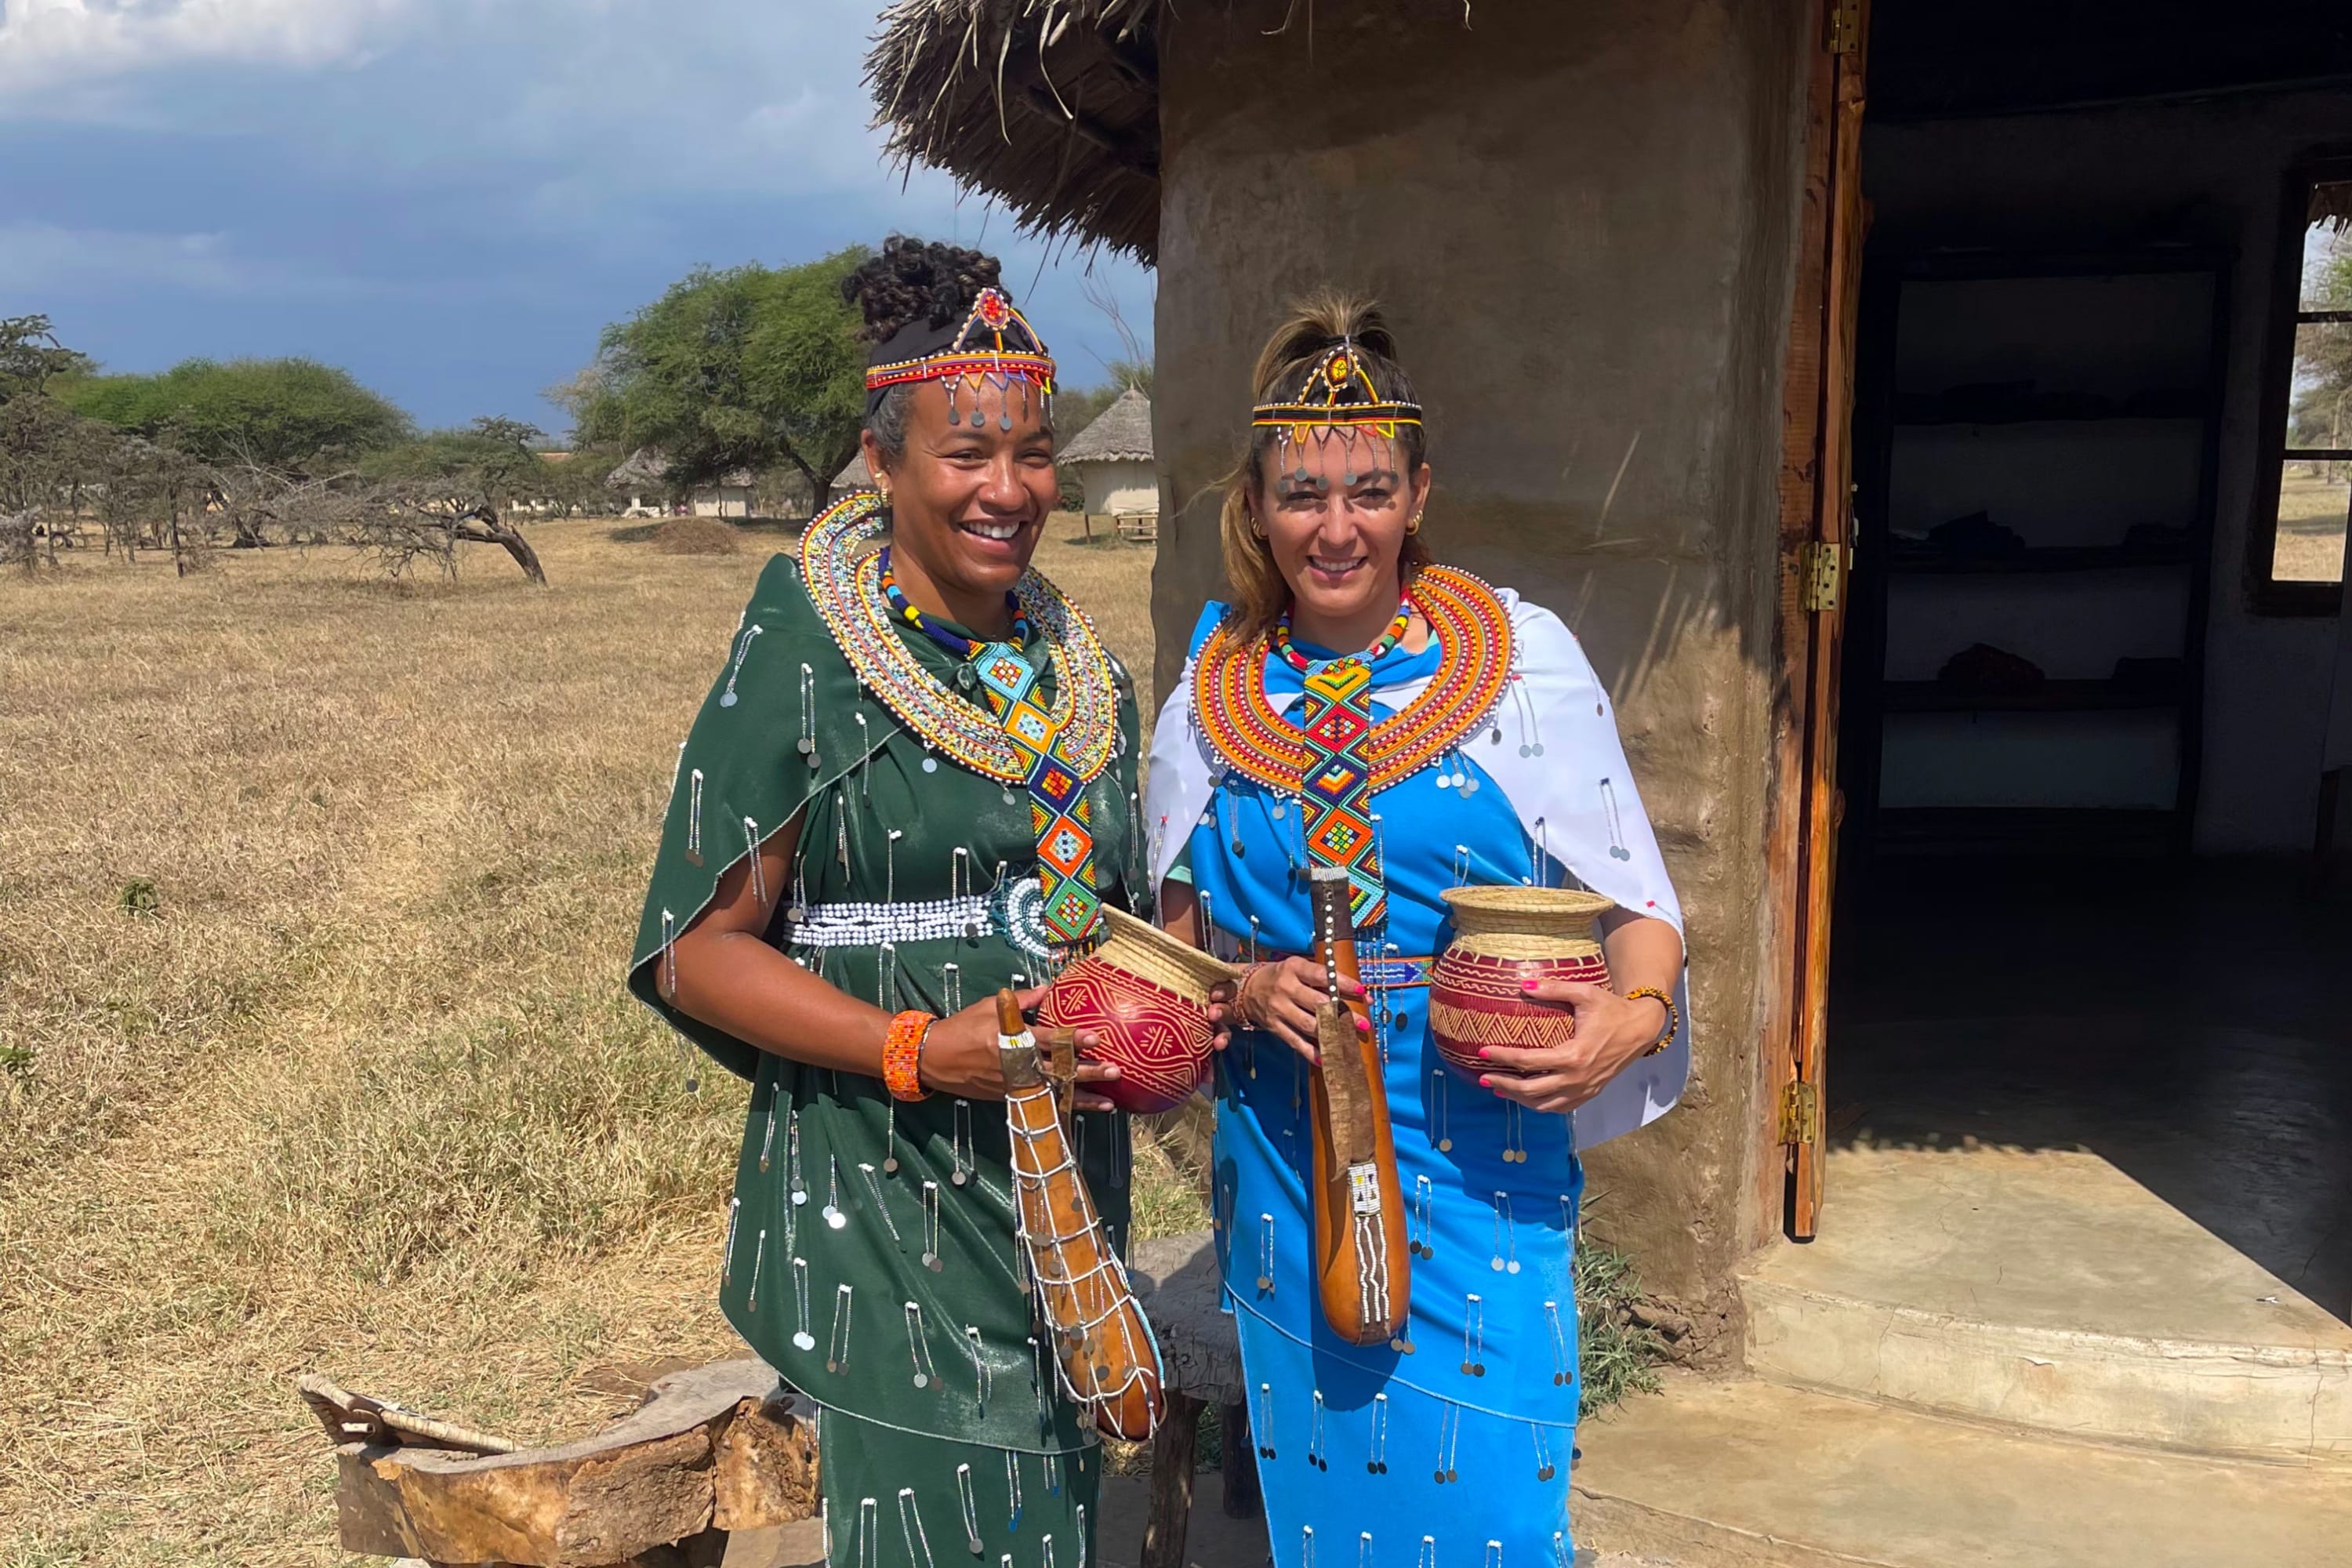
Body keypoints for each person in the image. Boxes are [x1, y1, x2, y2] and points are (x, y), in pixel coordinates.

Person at [1144, 294, 1690, 1566]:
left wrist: (1634, 1017)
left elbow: (1641, 911)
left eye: (1371, 490)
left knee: (1496, 1502)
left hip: (1488, 1153)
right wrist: (1243, 987)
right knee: (1333, 1515)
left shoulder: (1523, 667)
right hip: (1288, 1164)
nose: (1338, 528)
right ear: (1258, 504)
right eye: (1303, 496)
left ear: (1419, 491)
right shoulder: (1209, 689)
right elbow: (1175, 956)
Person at [627, 237, 1149, 1568]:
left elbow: (1123, 921)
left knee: (1046, 1504)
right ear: (884, 461)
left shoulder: (1079, 669)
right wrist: (917, 1048)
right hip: (883, 1174)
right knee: (942, 1515)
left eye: (1033, 452)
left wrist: (1164, 1018)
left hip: (1059, 1180)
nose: (1010, 488)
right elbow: (697, 949)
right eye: (966, 454)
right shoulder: (808, 649)